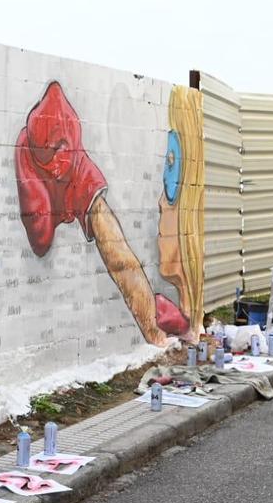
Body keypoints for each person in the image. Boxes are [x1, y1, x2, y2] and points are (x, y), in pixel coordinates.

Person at [15, 82, 200, 345]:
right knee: (42, 232)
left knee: (116, 251)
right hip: (39, 174)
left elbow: (121, 260)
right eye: (51, 158)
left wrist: (153, 334)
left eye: (60, 155)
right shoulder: (28, 155)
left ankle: (160, 320)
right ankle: (162, 320)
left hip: (75, 180)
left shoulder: (80, 169)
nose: (56, 167)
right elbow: (39, 237)